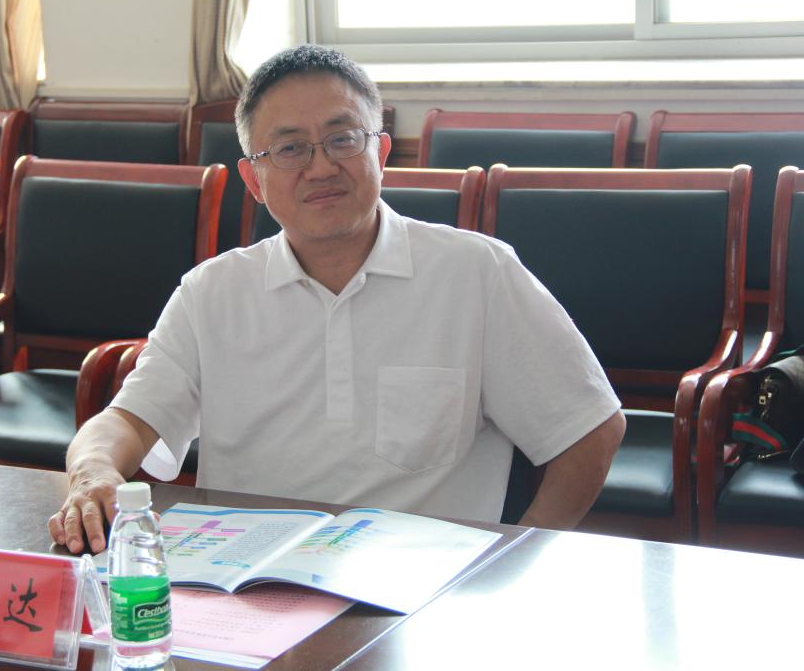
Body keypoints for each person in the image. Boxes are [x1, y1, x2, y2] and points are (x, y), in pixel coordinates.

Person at [49, 45, 625, 555]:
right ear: (254, 180)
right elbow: (126, 421)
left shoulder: (477, 273)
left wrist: (514, 559)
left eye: (342, 139)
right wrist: (93, 471)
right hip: (250, 585)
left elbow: (590, 429)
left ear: (382, 152)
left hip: (421, 591)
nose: (321, 167)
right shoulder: (211, 293)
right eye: (290, 149)